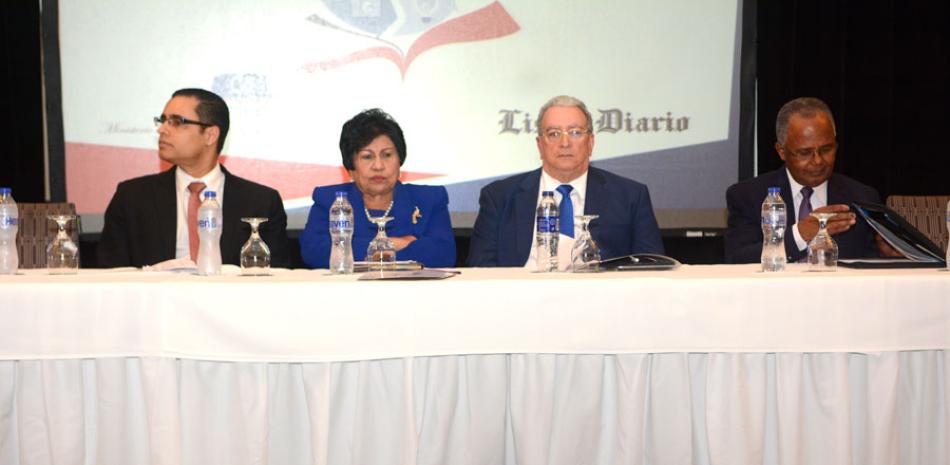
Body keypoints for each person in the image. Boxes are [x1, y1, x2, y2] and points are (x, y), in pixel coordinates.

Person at [98, 88, 289, 268]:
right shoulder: (132, 197)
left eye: (176, 121)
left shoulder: (261, 201)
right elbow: (111, 273)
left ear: (210, 135)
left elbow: (275, 279)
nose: (162, 130)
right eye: (162, 120)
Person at [467, 95, 664, 268]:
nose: (564, 143)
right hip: (522, 300)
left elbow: (651, 264)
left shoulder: (630, 195)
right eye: (554, 133)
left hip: (602, 302)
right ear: (540, 145)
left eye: (575, 132)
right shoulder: (499, 197)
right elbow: (480, 268)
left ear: (591, 142)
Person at [724, 97, 890, 263]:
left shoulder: (862, 197)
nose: (818, 161)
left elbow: (870, 263)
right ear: (781, 151)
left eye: (826, 149)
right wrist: (799, 234)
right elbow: (738, 258)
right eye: (805, 153)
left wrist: (887, 255)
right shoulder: (748, 196)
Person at [299, 109, 456, 268]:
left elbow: (444, 254)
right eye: (367, 156)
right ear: (351, 167)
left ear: (399, 160)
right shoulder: (330, 200)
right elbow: (316, 252)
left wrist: (356, 247)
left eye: (387, 155)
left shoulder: (430, 199)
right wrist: (395, 244)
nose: (379, 166)